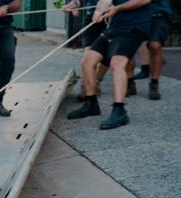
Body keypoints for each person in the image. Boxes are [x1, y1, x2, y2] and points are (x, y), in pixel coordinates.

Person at [67, 0, 151, 130]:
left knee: (117, 63)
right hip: (114, 28)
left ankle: (119, 110)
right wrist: (98, 12)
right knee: (88, 61)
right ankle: (91, 104)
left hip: (134, 28)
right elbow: (105, 1)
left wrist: (118, 8)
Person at [63, 0, 109, 100]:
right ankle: (87, 87)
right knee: (88, 55)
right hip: (92, 18)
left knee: (107, 57)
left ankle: (95, 81)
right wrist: (72, 4)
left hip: (112, 18)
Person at [134, 0, 173, 99]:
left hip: (159, 14)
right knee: (127, 47)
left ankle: (154, 83)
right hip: (134, 15)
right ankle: (130, 82)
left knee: (155, 45)